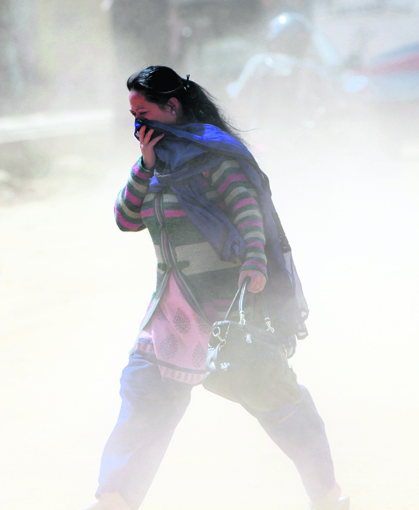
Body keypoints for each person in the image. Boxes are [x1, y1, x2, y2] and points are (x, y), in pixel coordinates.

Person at [78, 66, 349, 510]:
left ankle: (328, 495)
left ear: (172, 107)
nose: (138, 124)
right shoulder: (155, 167)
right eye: (132, 115)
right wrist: (145, 166)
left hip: (229, 306)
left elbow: (249, 212)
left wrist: (256, 262)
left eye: (144, 112)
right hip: (173, 309)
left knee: (274, 398)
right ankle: (114, 500)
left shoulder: (214, 157)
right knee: (144, 397)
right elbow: (125, 219)